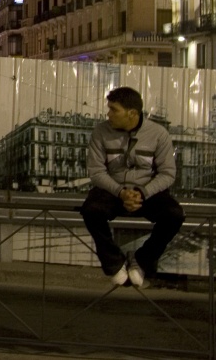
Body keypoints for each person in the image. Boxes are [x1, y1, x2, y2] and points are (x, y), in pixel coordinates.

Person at [80, 86, 184, 288]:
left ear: (132, 113)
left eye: (114, 109)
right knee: (91, 211)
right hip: (112, 191)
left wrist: (142, 193)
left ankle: (143, 260)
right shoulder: (100, 132)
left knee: (174, 215)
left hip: (146, 192)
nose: (108, 114)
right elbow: (96, 171)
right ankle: (113, 263)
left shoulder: (158, 134)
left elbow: (168, 173)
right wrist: (121, 192)